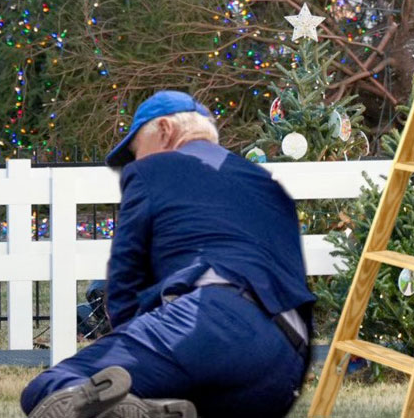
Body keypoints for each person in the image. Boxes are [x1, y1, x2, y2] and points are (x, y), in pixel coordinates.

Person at [21, 90, 315, 418]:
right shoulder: (267, 184)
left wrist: (135, 350)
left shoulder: (154, 170)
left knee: (51, 385)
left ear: (165, 131)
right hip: (286, 361)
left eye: (137, 151)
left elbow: (125, 282)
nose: (135, 163)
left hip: (209, 320)